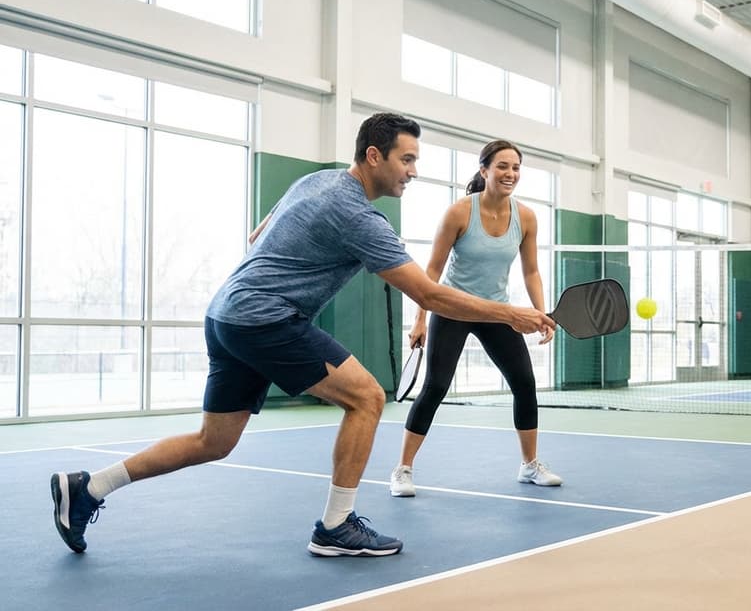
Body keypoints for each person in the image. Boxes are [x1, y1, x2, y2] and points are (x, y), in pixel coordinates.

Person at [49, 113, 555, 557]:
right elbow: (429, 295)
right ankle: (336, 527)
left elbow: (257, 234)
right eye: (406, 160)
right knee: (367, 397)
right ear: (374, 156)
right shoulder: (359, 216)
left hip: (225, 315)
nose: (413, 171)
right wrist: (512, 314)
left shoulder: (316, 182)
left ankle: (90, 487)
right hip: (266, 319)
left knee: (214, 441)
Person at [389, 139, 559, 498]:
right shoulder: (458, 213)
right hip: (452, 308)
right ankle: (402, 469)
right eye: (502, 166)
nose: (510, 173)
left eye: (515, 167)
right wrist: (420, 320)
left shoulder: (526, 217)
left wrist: (539, 313)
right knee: (435, 386)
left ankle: (529, 465)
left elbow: (531, 272)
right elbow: (431, 272)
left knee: (525, 383)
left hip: (497, 312)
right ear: (484, 171)